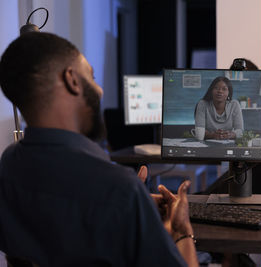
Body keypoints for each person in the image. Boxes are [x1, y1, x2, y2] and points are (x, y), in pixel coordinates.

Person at [0, 32, 198, 267]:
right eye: (92, 77)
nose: (100, 90)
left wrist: (135, 207)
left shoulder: (8, 165)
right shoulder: (121, 190)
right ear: (72, 80)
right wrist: (181, 231)